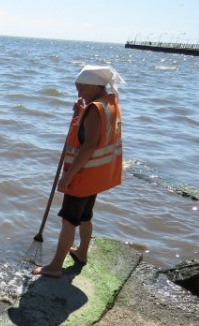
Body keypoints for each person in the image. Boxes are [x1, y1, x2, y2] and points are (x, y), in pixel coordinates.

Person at [32, 65, 124, 278]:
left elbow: (89, 145)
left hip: (83, 175)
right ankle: (82, 252)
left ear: (94, 86)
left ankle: (55, 267)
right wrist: (79, 113)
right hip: (97, 175)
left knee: (68, 221)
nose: (78, 92)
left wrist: (68, 176)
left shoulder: (95, 109)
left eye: (81, 88)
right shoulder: (108, 102)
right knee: (85, 216)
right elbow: (95, 132)